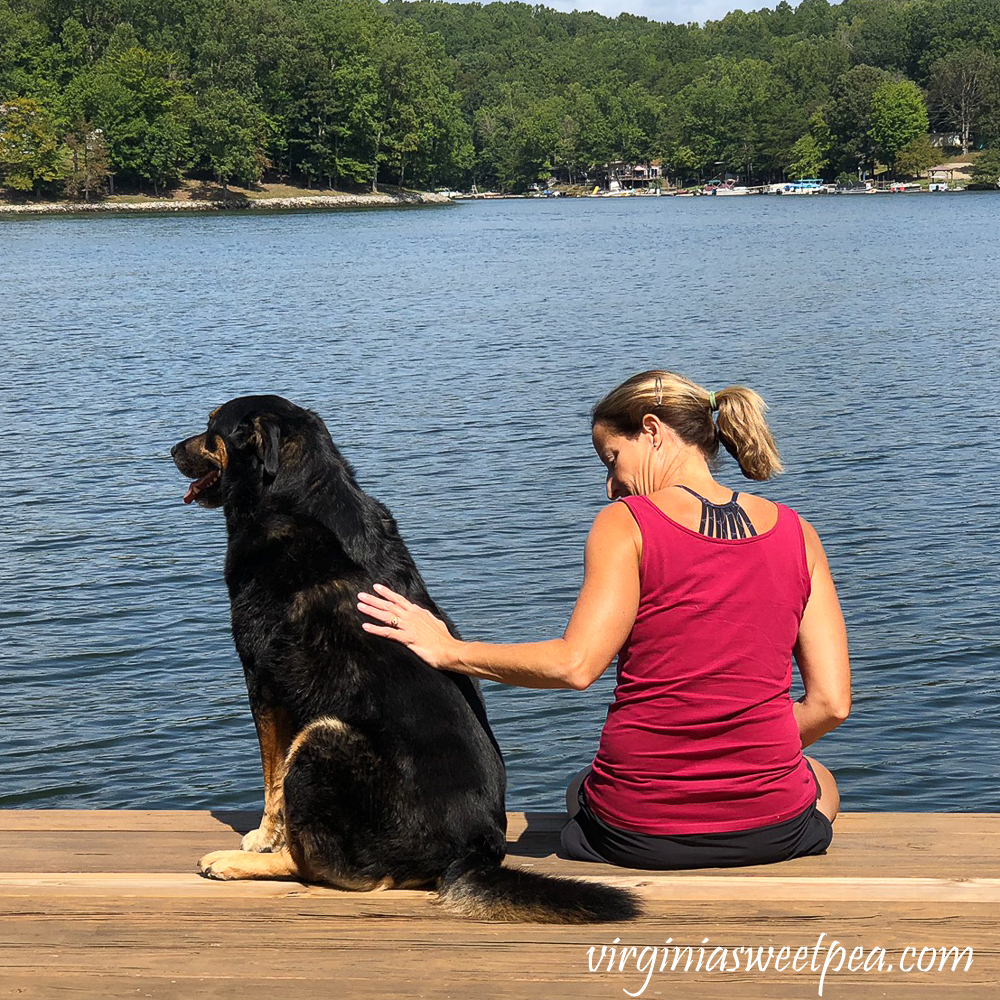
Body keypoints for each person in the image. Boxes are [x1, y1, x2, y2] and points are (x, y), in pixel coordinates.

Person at [357, 370, 851, 870]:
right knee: (821, 781)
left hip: (640, 832)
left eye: (613, 459)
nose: (611, 485)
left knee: (579, 787)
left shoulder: (629, 523)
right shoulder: (798, 534)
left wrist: (449, 650)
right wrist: (742, 753)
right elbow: (831, 704)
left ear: (653, 431)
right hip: (773, 829)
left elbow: (576, 665)